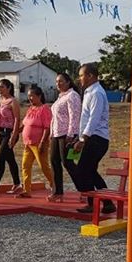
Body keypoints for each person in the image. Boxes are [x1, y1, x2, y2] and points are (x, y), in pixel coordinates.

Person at [72, 63, 115, 214]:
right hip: (91, 137)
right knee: (89, 170)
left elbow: (93, 119)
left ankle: (97, 202)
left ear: (90, 76)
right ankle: (105, 202)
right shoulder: (89, 92)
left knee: (84, 169)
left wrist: (83, 139)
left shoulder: (96, 93)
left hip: (96, 138)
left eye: (81, 75)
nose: (79, 79)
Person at [15, 85, 54, 199]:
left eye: (32, 96)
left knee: (43, 166)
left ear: (39, 96)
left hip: (38, 143)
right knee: (25, 166)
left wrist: (42, 142)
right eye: (29, 96)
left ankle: (55, 185)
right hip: (28, 143)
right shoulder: (31, 109)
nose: (30, 98)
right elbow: (25, 124)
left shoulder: (44, 109)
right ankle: (26, 190)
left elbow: (47, 127)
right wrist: (15, 131)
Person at [48, 72, 81, 203]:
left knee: (68, 163)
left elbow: (74, 116)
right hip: (56, 134)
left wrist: (71, 134)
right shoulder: (60, 97)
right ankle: (57, 192)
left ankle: (84, 190)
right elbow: (54, 118)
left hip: (67, 134)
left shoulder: (72, 95)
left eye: (61, 81)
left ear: (68, 82)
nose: (58, 84)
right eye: (57, 82)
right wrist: (51, 133)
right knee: (54, 161)